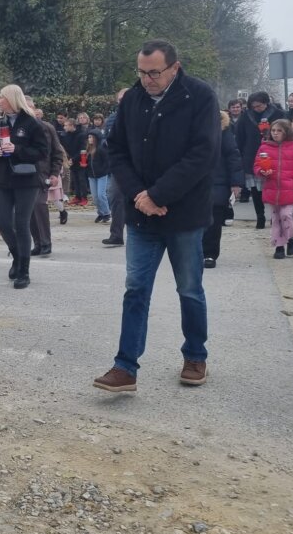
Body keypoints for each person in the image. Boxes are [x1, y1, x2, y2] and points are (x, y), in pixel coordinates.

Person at [94, 39, 219, 393]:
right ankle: (125, 367)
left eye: (154, 73)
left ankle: (195, 355)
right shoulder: (133, 99)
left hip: (184, 215)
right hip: (142, 216)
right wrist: (139, 195)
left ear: (174, 68)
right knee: (136, 290)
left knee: (190, 289)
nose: (147, 79)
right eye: (141, 72)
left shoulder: (199, 97)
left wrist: (159, 194)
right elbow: (116, 150)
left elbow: (203, 153)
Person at [0, 84, 49, 289]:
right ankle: (17, 256)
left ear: (11, 99)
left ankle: (24, 271)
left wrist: (17, 149)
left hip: (26, 181)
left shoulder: (31, 123)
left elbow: (42, 151)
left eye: (1, 97)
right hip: (3, 179)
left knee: (21, 224)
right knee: (2, 221)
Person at [254, 119, 293, 259]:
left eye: (279, 131)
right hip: (272, 187)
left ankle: (291, 239)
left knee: (286, 215)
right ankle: (279, 246)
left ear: (286, 132)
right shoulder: (264, 148)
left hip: (289, 188)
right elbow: (256, 166)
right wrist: (262, 172)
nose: (275, 133)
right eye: (273, 130)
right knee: (275, 218)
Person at [235, 91, 287, 229]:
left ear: (266, 103)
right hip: (251, 155)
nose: (256, 108)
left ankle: (275, 216)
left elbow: (286, 133)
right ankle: (260, 216)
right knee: (255, 190)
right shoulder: (246, 116)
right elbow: (240, 136)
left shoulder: (278, 114)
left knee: (273, 188)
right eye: (254, 106)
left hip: (273, 154)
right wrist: (240, 154)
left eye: (259, 106)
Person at [202, 110, 243, 269]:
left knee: (214, 220)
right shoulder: (192, 127)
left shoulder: (224, 132)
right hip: (195, 181)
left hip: (218, 181)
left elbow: (233, 156)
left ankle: (210, 254)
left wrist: (235, 182)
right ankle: (196, 250)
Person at [27, 103, 64, 256]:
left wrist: (54, 173)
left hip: (42, 174)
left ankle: (46, 242)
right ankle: (37, 243)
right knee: (28, 210)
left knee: (39, 204)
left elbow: (57, 151)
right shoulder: (17, 128)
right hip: (23, 175)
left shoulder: (47, 127)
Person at [102, 88, 129, 246]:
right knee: (115, 197)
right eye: (120, 99)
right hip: (119, 167)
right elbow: (105, 140)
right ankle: (116, 234)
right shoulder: (112, 118)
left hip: (139, 166)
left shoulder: (140, 116)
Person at [60, 118, 88, 206]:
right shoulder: (66, 135)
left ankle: (84, 197)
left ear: (72, 126)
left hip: (81, 160)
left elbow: (82, 149)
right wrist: (68, 159)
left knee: (81, 179)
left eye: (66, 125)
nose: (64, 127)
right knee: (75, 179)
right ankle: (78, 196)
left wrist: (73, 159)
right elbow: (66, 148)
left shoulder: (81, 135)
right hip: (71, 160)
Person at [85, 130, 111, 223]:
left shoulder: (101, 148)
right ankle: (101, 213)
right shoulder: (88, 149)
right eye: (88, 137)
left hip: (101, 175)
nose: (89, 139)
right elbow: (88, 163)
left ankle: (107, 213)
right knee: (95, 197)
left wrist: (104, 171)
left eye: (91, 137)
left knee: (101, 195)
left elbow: (107, 162)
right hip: (91, 176)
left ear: (96, 138)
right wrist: (84, 165)